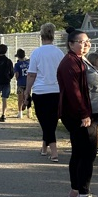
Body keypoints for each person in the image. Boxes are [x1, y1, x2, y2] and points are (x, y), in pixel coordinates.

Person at [57, 30, 98, 197]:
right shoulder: (70, 62)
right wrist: (84, 114)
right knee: (87, 153)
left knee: (79, 152)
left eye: (88, 41)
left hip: (88, 112)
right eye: (81, 42)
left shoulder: (80, 59)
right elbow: (74, 91)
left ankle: (76, 191)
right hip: (81, 115)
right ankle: (84, 196)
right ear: (70, 44)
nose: (86, 45)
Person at [25, 23, 65, 161]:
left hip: (40, 91)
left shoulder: (37, 52)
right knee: (51, 121)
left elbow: (31, 75)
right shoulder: (59, 53)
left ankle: (54, 152)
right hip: (56, 90)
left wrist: (27, 92)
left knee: (45, 121)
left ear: (41, 36)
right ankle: (44, 146)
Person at [14, 49, 30, 118]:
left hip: (20, 83)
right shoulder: (28, 64)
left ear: (18, 57)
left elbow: (17, 74)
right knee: (27, 96)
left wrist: (17, 78)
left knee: (20, 98)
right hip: (27, 82)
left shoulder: (17, 65)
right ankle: (28, 111)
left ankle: (20, 113)